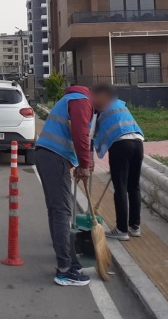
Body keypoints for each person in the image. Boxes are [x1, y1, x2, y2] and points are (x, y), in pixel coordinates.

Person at [35, 84, 111, 287]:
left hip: (48, 155)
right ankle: (64, 270)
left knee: (56, 210)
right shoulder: (81, 101)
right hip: (54, 157)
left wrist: (78, 164)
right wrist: (84, 165)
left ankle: (65, 259)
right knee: (62, 211)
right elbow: (80, 133)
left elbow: (77, 134)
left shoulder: (75, 99)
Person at [91, 83, 145, 241]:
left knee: (120, 187)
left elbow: (90, 136)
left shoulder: (96, 109)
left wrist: (89, 160)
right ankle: (135, 226)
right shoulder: (119, 104)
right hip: (138, 141)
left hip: (120, 144)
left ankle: (121, 229)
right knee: (134, 186)